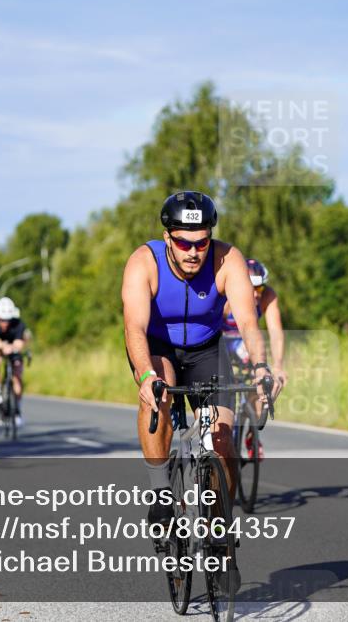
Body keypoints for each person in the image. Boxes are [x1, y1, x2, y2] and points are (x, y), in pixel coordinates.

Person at [121, 192, 279, 540]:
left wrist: (261, 368)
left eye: (201, 243)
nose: (193, 252)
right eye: (183, 243)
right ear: (168, 238)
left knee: (223, 439)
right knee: (158, 392)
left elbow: (249, 324)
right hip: (158, 347)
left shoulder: (227, 260)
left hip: (207, 349)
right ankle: (161, 491)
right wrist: (146, 376)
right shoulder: (143, 262)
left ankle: (220, 526)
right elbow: (134, 327)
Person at [221, 258, 288, 460]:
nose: (256, 295)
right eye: (252, 289)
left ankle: (252, 430)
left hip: (246, 341)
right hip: (222, 338)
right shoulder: (228, 295)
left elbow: (275, 331)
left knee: (266, 379)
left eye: (260, 289)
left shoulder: (268, 296)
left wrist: (278, 366)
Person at [0, 296, 27, 427]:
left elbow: (20, 343)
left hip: (12, 348)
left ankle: (17, 409)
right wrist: (4, 346)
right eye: (2, 320)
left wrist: (13, 348)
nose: (5, 323)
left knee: (18, 371)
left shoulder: (19, 324)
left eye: (8, 320)